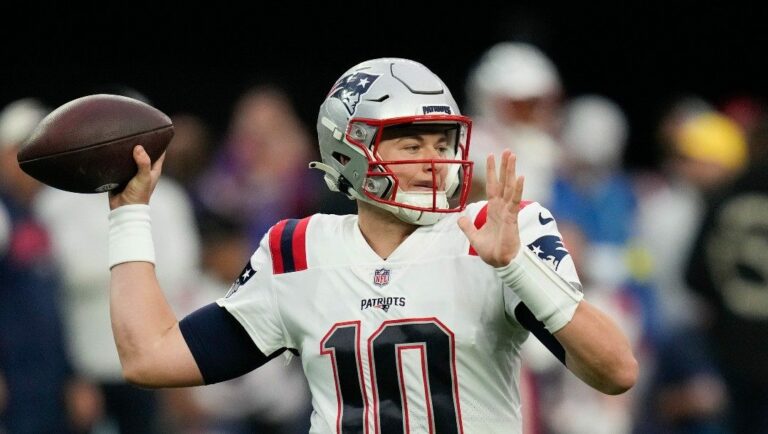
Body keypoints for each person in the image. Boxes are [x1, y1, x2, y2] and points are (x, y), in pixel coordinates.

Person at [105, 58, 637, 433]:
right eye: (411, 143)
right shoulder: (299, 250)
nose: (436, 161)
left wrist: (516, 263)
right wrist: (129, 214)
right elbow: (150, 358)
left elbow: (617, 372)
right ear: (348, 154)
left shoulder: (498, 231)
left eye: (443, 142)